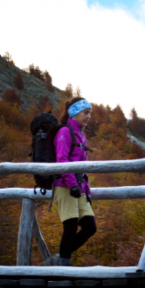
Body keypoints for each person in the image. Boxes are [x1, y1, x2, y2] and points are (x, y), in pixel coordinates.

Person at [51, 97, 97, 266]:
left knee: (90, 227)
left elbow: (82, 168)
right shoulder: (65, 132)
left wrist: (87, 192)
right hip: (65, 186)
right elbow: (61, 160)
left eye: (89, 113)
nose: (89, 116)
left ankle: (57, 259)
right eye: (86, 113)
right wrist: (72, 184)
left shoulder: (81, 135)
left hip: (79, 188)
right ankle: (64, 269)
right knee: (70, 227)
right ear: (75, 113)